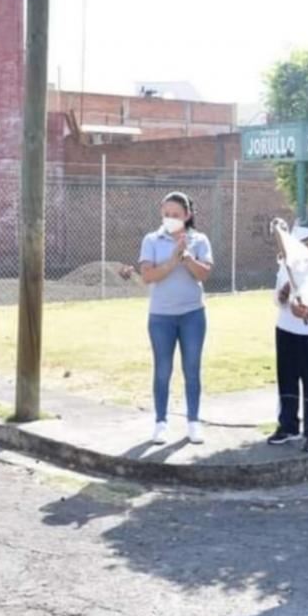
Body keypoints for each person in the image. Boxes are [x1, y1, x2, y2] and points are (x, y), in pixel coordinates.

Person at [138, 191, 214, 446]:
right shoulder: (152, 239)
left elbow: (203, 275)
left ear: (187, 215)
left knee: (192, 369)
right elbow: (148, 276)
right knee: (162, 370)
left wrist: (187, 256)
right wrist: (172, 260)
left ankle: (193, 422)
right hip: (161, 317)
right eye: (166, 214)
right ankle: (161, 422)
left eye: (176, 215)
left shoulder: (199, 239)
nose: (170, 219)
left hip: (193, 315)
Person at [269, 218, 308, 453]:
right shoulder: (286, 264)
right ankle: (288, 425)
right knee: (286, 378)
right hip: (285, 329)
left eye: (306, 241)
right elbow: (277, 299)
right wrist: (282, 297)